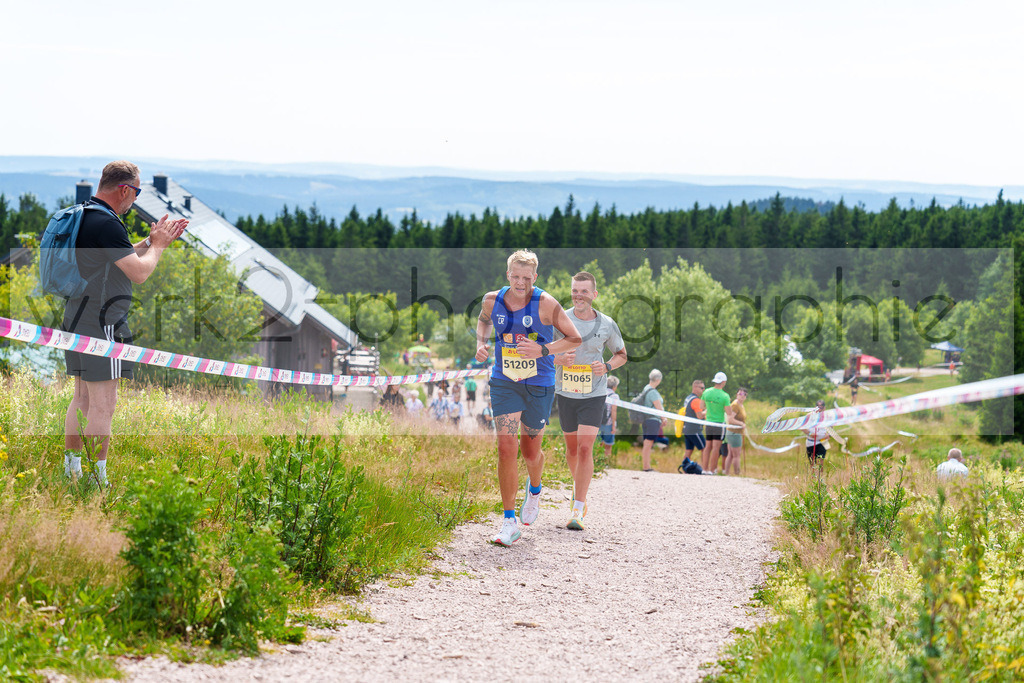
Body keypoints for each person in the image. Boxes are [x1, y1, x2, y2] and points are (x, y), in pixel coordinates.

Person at [62, 161, 187, 486]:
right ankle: (95, 480)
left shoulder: (85, 214)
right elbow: (140, 273)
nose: (135, 199)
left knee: (82, 399)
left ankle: (72, 472)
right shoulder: (108, 223)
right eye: (137, 191)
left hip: (75, 317)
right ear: (124, 189)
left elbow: (119, 256)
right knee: (103, 405)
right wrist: (159, 247)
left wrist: (148, 241)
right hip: (103, 323)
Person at [475, 250, 581, 546]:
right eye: (515, 276)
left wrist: (543, 350)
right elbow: (484, 321)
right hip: (504, 381)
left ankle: (535, 488)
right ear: (507, 274)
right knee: (506, 447)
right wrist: (481, 343)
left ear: (535, 277)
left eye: (526, 277)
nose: (520, 282)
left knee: (530, 451)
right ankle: (509, 521)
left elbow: (575, 338)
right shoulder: (492, 300)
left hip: (539, 383)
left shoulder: (546, 304)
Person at [551, 271, 627, 531]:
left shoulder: (606, 323)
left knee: (585, 448)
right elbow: (543, 351)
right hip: (565, 392)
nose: (578, 295)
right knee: (571, 450)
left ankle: (578, 507)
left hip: (594, 394)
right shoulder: (560, 320)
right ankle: (579, 490)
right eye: (575, 290)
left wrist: (605, 366)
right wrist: (557, 359)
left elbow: (622, 355)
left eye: (584, 291)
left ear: (594, 294)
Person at [701, 372, 733, 474]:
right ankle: (712, 470)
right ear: (724, 382)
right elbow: (728, 412)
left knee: (707, 447)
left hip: (708, 423)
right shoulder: (725, 396)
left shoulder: (706, 392)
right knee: (716, 448)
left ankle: (704, 469)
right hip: (719, 424)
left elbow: (702, 407)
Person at [802, 399, 847, 473]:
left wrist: (828, 434)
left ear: (824, 408)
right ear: (815, 407)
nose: (820, 409)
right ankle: (813, 478)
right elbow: (801, 426)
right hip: (811, 441)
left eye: (821, 407)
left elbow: (831, 428)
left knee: (821, 462)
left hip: (823, 441)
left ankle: (820, 478)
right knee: (812, 462)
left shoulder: (828, 417)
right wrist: (810, 434)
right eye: (818, 407)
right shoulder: (809, 416)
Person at [638, 369, 667, 473]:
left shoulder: (646, 388)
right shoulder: (653, 392)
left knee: (647, 443)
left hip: (646, 419)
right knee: (648, 443)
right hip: (653, 420)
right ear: (658, 379)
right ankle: (646, 467)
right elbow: (659, 408)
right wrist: (664, 418)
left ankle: (646, 465)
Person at [678, 379, 706, 470]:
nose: (703, 390)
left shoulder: (688, 398)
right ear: (695, 387)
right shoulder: (696, 400)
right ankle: (705, 469)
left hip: (686, 428)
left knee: (689, 450)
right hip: (694, 429)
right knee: (705, 449)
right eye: (701, 388)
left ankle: (685, 468)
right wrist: (707, 411)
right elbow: (699, 416)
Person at [723, 387, 748, 475]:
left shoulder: (741, 405)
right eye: (740, 393)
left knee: (731, 454)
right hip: (734, 432)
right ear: (737, 394)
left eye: (744, 394)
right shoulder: (735, 405)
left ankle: (727, 473)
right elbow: (730, 419)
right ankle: (737, 473)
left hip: (735, 432)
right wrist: (741, 424)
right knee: (736, 455)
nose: (742, 396)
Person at [599, 375, 621, 463]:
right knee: (608, 445)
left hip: (598, 423)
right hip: (608, 424)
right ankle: (606, 463)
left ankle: (596, 463)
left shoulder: (600, 393)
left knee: (597, 444)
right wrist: (613, 426)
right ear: (615, 386)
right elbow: (614, 411)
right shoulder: (614, 396)